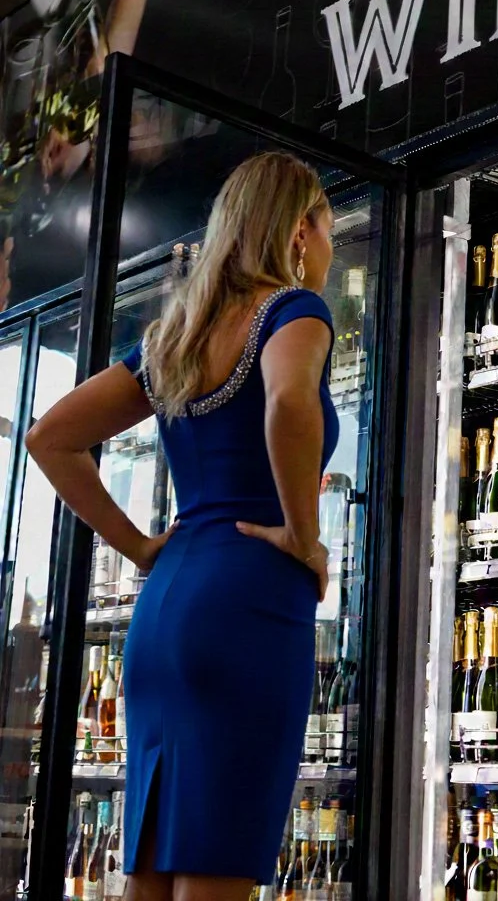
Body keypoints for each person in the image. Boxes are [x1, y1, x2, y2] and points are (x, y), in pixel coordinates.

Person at [25, 152, 338, 900]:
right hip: (248, 603)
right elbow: (290, 404)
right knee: (220, 861)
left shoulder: (175, 336)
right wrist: (303, 535)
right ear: (300, 231)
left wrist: (138, 546)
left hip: (164, 611)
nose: (328, 248)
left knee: (156, 868)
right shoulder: (295, 310)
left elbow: (50, 437)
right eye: (327, 229)